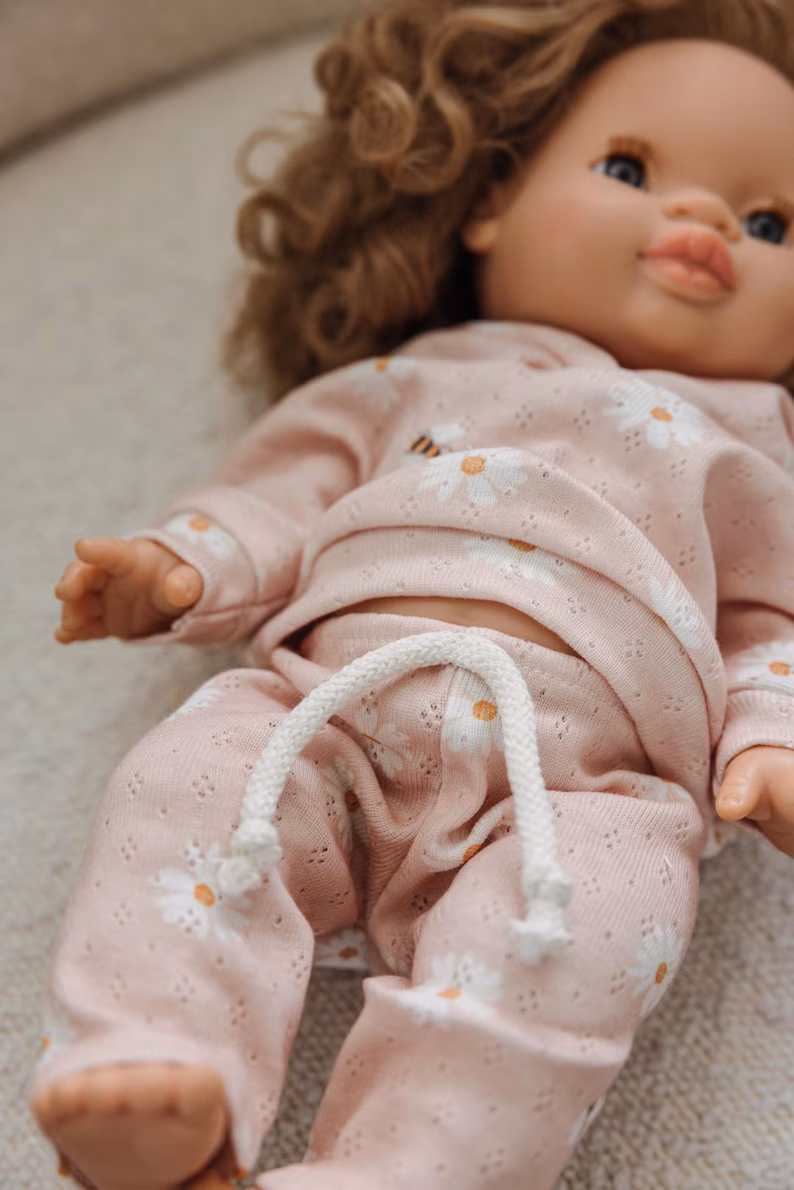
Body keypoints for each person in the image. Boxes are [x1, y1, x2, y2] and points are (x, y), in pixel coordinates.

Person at [31, 1, 794, 1188]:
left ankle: (407, 1166)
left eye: (768, 222)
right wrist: (178, 570)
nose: (701, 222)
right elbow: (277, 499)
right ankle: (159, 1058)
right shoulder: (408, 379)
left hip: (578, 788)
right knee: (190, 781)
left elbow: (766, 623)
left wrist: (769, 741)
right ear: (488, 205)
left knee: (599, 918)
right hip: (327, 715)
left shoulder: (750, 446)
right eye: (627, 170)